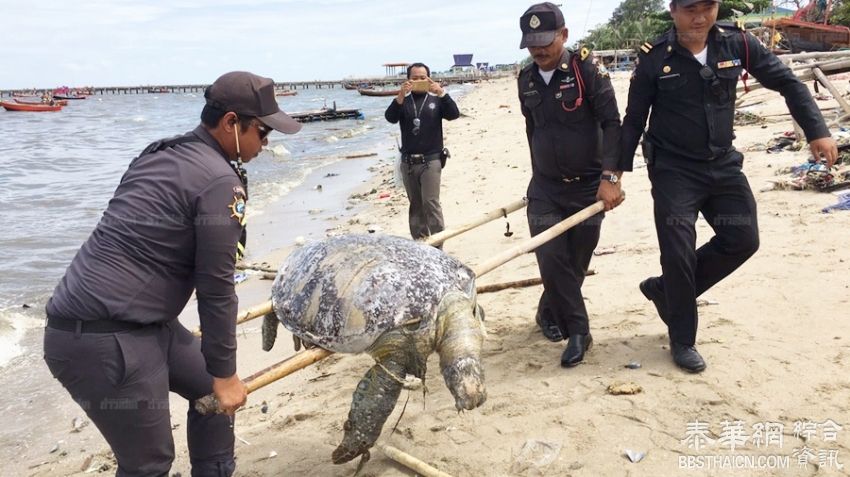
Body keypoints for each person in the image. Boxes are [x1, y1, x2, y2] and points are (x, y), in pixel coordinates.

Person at [42, 71, 302, 476]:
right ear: (231, 122)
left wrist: (219, 376)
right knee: (149, 462)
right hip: (101, 338)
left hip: (147, 325)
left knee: (210, 396)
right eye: (263, 132)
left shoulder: (163, 151)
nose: (266, 144)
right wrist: (228, 374)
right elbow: (216, 289)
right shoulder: (218, 180)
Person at [621, 0, 838, 373]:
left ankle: (665, 292)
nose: (700, 16)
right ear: (673, 10)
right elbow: (634, 119)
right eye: (690, 8)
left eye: (708, 6)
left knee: (742, 239)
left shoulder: (737, 44)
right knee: (678, 251)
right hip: (674, 170)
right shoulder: (655, 58)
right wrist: (614, 174)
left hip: (722, 164)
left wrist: (818, 131)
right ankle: (683, 339)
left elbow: (787, 82)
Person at [517, 2, 625, 367]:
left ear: (564, 35)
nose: (539, 50)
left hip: (587, 188)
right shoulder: (526, 80)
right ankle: (579, 332)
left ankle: (548, 311)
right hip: (545, 188)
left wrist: (611, 178)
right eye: (532, 43)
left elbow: (613, 124)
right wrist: (536, 180)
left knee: (576, 260)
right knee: (551, 258)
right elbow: (532, 131)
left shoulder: (589, 71)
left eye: (546, 41)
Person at [385, 62, 460, 241]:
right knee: (416, 205)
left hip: (431, 160)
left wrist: (441, 93)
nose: (418, 81)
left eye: (423, 78)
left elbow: (454, 114)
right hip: (408, 162)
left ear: (429, 78)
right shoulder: (403, 101)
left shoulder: (436, 100)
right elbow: (390, 118)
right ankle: (419, 241)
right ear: (407, 80)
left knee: (430, 203)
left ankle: (438, 243)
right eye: (414, 78)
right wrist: (400, 96)